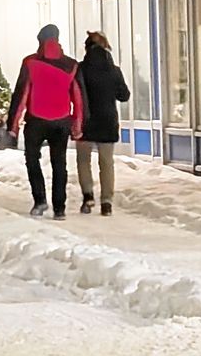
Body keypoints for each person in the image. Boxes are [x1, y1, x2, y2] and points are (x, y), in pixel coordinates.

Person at [8, 23, 85, 219]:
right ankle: (60, 208)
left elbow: (22, 94)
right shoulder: (71, 65)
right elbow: (78, 97)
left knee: (32, 160)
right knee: (59, 164)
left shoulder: (30, 62)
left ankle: (40, 201)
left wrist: (13, 125)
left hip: (36, 120)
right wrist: (77, 124)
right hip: (61, 121)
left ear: (40, 41)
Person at [76, 30, 130, 216]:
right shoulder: (114, 70)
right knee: (106, 163)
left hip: (85, 121)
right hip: (108, 121)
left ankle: (88, 195)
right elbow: (124, 96)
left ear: (87, 47)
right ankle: (106, 202)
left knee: (83, 160)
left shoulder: (80, 69)